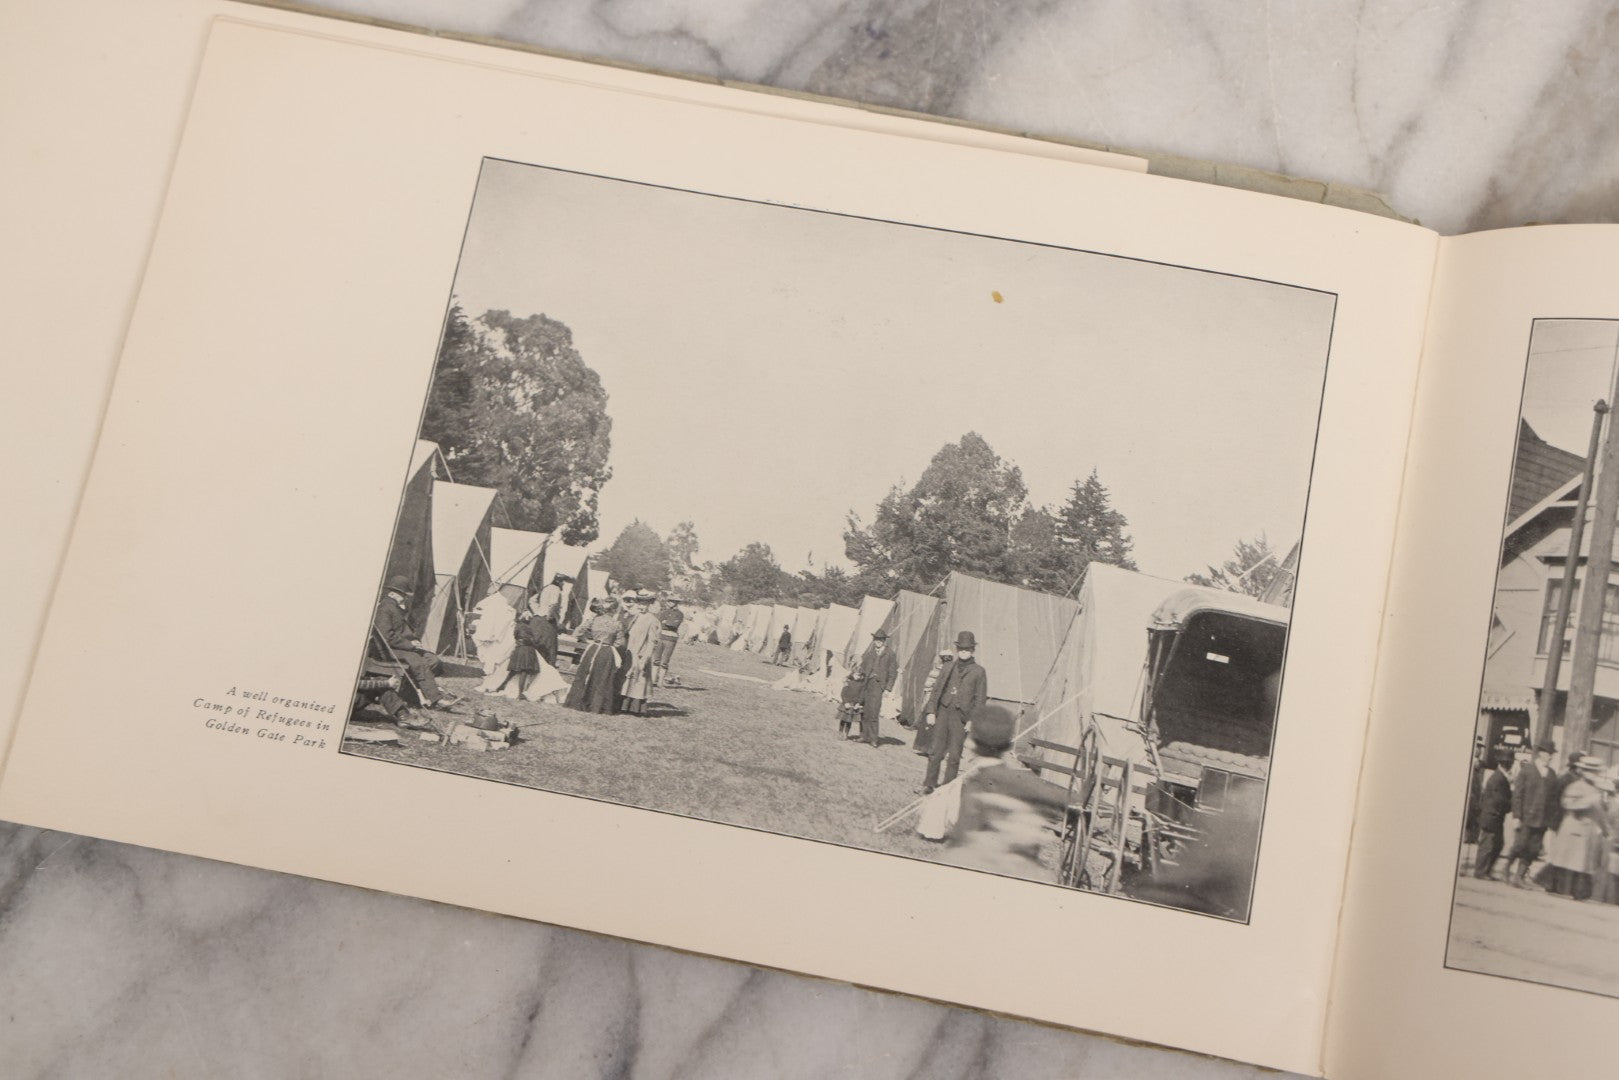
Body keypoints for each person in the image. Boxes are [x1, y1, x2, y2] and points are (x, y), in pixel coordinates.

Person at [939, 704, 1068, 880]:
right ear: (1008, 745)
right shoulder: (1022, 781)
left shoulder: (976, 783)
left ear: (970, 742)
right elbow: (1058, 797)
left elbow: (961, 835)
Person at [370, 575, 458, 727]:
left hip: (401, 647)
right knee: (417, 661)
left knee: (433, 660)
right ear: (393, 594)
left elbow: (403, 631)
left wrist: (413, 642)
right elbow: (387, 637)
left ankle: (411, 696)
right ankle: (436, 699)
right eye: (403, 595)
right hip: (386, 650)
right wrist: (411, 646)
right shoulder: (385, 608)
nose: (405, 598)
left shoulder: (397, 608)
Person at [921, 631, 987, 793]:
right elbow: (936, 690)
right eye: (961, 649)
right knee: (935, 751)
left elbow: (980, 699)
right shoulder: (948, 667)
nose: (964, 652)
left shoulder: (979, 672)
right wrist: (931, 712)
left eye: (967, 649)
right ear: (957, 649)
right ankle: (929, 784)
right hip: (943, 712)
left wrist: (972, 721)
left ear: (972, 650)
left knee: (954, 756)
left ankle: (946, 789)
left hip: (961, 718)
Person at [1547, 755, 1609, 901]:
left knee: (1582, 863)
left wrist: (1606, 830)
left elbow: (1599, 812)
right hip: (1574, 829)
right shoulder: (1576, 786)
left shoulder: (1596, 790)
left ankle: (1578, 892)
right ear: (1585, 772)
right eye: (1592, 771)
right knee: (1567, 861)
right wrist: (1586, 802)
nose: (1595, 775)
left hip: (1586, 833)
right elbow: (1567, 803)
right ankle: (1555, 886)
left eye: (1596, 772)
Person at [1505, 743, 1557, 887]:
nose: (1551, 756)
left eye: (1552, 754)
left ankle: (1519, 877)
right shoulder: (1527, 770)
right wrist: (1516, 816)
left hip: (1542, 820)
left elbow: (1553, 800)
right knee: (1520, 845)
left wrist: (1551, 820)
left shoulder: (1552, 774)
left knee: (1533, 850)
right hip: (1526, 818)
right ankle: (1507, 868)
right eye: (1549, 753)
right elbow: (1517, 795)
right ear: (1541, 753)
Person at [563, 598, 624, 714]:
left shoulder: (594, 620)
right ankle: (597, 706)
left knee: (585, 675)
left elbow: (577, 632)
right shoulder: (617, 624)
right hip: (606, 652)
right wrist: (610, 644)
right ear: (615, 610)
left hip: (593, 649)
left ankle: (577, 702)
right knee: (602, 678)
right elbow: (620, 643)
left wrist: (588, 641)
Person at [854, 629, 899, 748]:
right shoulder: (870, 653)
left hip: (878, 686)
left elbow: (893, 673)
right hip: (866, 684)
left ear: (884, 641)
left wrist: (888, 689)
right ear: (874, 640)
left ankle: (873, 739)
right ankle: (863, 735)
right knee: (864, 710)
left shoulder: (890, 654)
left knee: (874, 712)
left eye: (880, 640)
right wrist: (859, 674)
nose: (878, 642)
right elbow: (863, 668)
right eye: (876, 640)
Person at [1473, 751, 1513, 880]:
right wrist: (1511, 803)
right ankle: (1480, 871)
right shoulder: (1498, 778)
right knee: (1488, 844)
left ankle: (1485, 870)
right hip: (1491, 816)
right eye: (1509, 762)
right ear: (1504, 763)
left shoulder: (1500, 776)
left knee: (1497, 844)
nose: (1510, 764)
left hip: (1495, 816)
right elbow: (1499, 799)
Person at [621, 592, 661, 716]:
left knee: (639, 681)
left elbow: (652, 642)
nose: (641, 606)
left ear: (649, 604)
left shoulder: (652, 620)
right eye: (639, 603)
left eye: (644, 604)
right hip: (629, 652)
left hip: (640, 654)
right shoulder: (636, 617)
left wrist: (645, 658)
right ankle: (622, 705)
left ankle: (635, 708)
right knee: (627, 680)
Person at [911, 648, 954, 756]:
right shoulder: (947, 670)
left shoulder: (941, 670)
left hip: (936, 698)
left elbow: (928, 684)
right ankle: (927, 747)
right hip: (935, 697)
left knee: (931, 723)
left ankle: (926, 747)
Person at [653, 597, 685, 688]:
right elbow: (658, 623)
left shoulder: (679, 614)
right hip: (661, 637)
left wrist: (665, 622)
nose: (670, 602)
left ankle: (660, 682)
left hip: (671, 639)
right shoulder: (663, 612)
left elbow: (673, 624)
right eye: (669, 600)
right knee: (656, 660)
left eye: (673, 601)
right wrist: (665, 623)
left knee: (665, 662)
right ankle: (653, 680)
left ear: (677, 602)